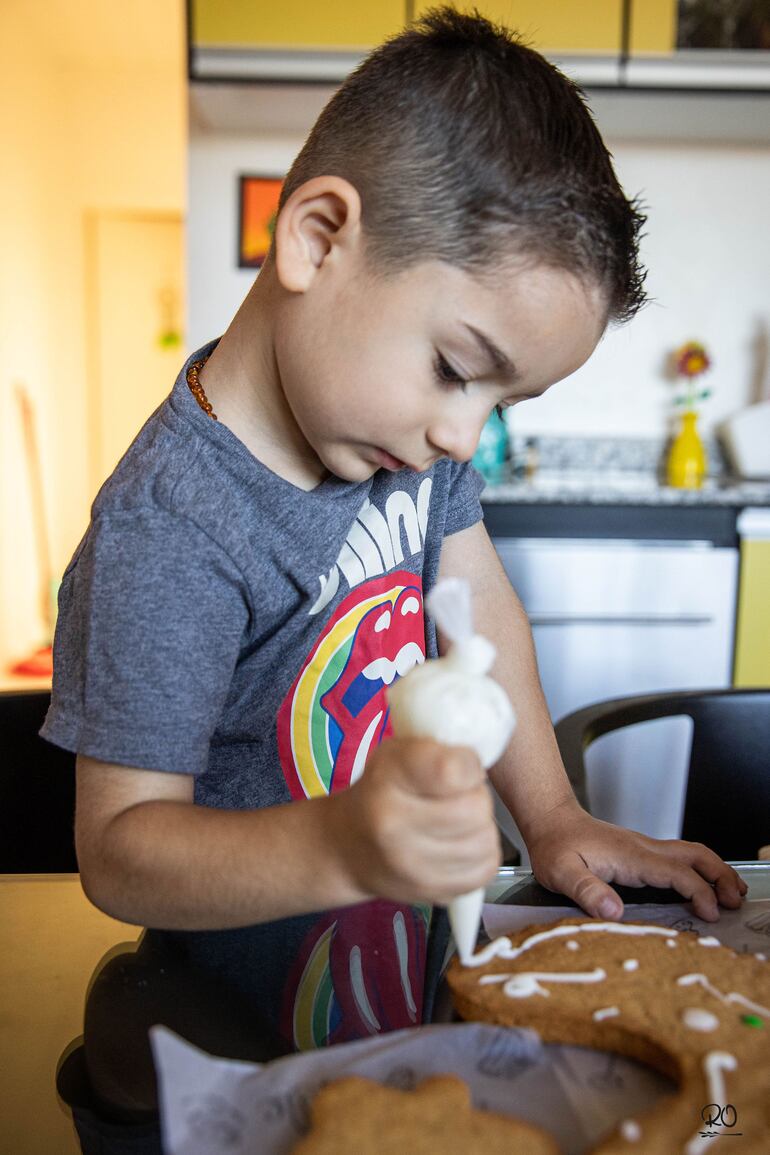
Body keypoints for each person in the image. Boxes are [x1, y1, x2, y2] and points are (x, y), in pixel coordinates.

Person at [43, 8, 746, 1065]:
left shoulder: (405, 448)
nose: (463, 435)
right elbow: (120, 853)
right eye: (458, 369)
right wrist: (343, 844)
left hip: (398, 983)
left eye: (502, 401)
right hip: (240, 1035)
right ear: (318, 237)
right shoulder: (173, 524)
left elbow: (483, 615)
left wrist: (550, 817)